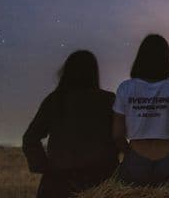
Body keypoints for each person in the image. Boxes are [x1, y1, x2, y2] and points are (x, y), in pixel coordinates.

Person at [23, 50, 119, 198]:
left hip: (59, 184)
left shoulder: (55, 100)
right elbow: (119, 136)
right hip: (101, 183)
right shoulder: (108, 100)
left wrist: (46, 168)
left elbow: (30, 138)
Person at [112, 34, 169, 186]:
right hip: (168, 159)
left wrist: (129, 153)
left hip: (136, 158)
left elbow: (117, 133)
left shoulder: (125, 88)